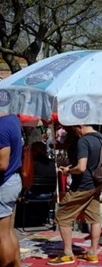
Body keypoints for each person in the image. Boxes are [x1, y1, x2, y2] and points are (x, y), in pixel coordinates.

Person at [48, 124, 102, 265]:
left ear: (80, 126)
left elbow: (81, 167)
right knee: (94, 217)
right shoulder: (101, 138)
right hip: (97, 183)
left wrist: (68, 171)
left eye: (74, 129)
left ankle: (67, 253)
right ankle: (92, 252)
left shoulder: (84, 141)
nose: (74, 132)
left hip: (82, 185)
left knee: (62, 216)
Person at [0, 114, 23, 267]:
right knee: (8, 231)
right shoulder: (13, 118)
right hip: (13, 179)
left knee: (2, 235)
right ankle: (16, 264)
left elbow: (2, 163)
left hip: (4, 182)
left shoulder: (1, 126)